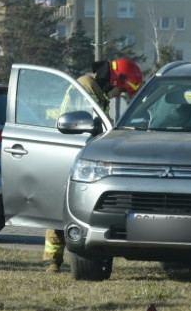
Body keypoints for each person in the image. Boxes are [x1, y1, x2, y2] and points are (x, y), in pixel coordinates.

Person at [42, 58, 143, 272]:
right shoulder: (87, 88)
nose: (118, 96)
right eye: (121, 91)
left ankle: (59, 259)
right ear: (114, 81)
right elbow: (90, 125)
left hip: (78, 151)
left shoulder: (97, 90)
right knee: (64, 204)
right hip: (70, 151)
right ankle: (53, 259)